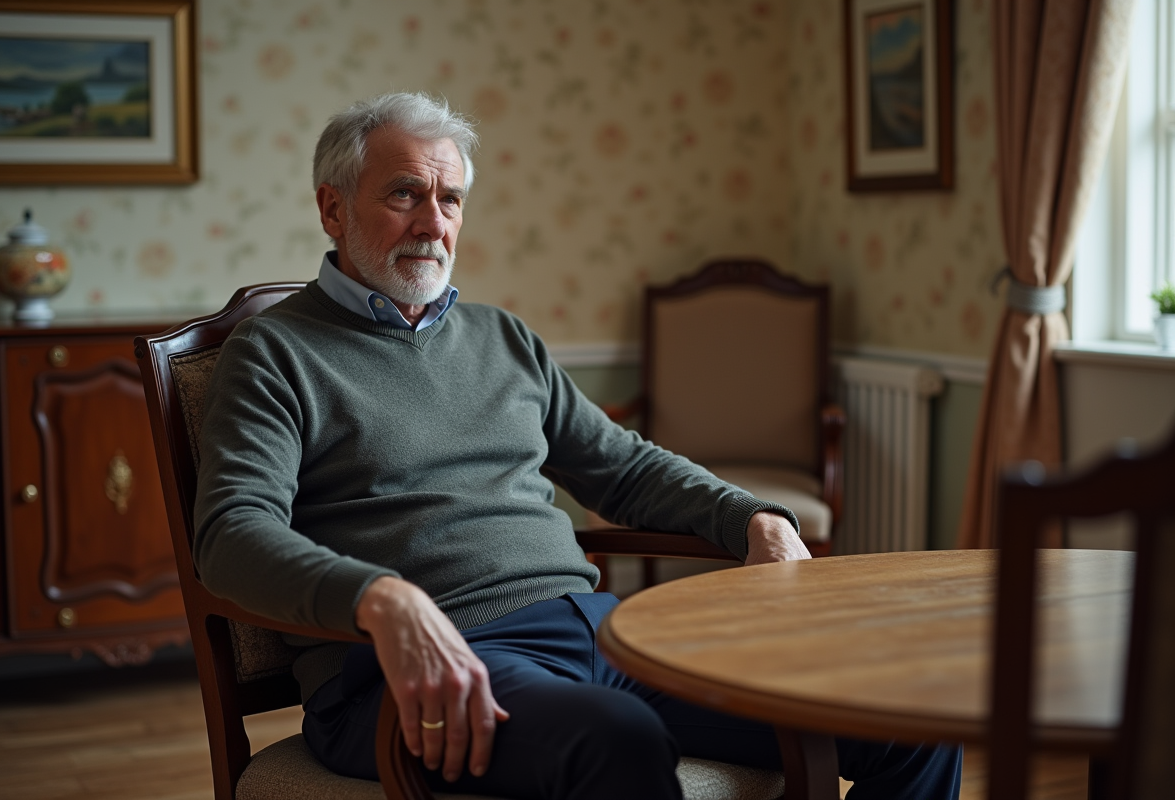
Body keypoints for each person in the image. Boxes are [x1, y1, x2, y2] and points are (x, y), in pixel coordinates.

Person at [194, 92, 961, 799]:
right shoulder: (275, 353)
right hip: (414, 672)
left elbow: (625, 467)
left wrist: (753, 519)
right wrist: (380, 597)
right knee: (619, 741)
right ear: (333, 208)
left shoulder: (502, 338)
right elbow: (231, 536)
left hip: (601, 632)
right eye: (404, 194)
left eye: (450, 198)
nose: (434, 221)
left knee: (910, 717)